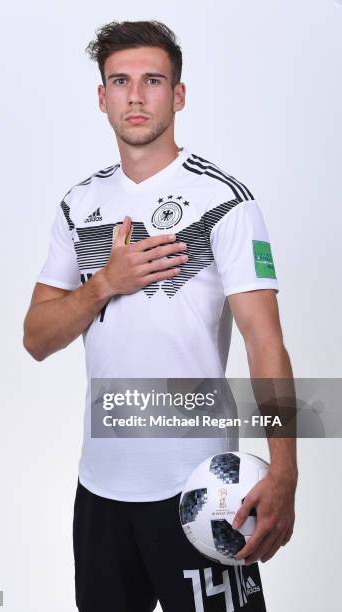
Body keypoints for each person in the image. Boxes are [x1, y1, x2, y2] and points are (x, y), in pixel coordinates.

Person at [23, 20, 297, 612]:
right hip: (100, 489)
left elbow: (265, 343)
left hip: (203, 489)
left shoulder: (224, 199)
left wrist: (285, 470)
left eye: (153, 80)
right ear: (102, 97)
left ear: (178, 95)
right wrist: (104, 284)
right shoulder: (79, 204)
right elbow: (36, 338)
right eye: (120, 81)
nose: (136, 95)